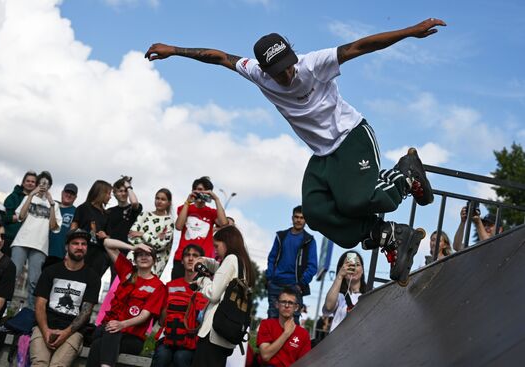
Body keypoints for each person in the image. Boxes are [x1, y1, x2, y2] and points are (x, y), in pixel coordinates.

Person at [145, 18, 445, 284]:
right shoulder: (256, 73)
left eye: (288, 66)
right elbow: (219, 57)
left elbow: (360, 46)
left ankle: (405, 174)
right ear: (264, 69)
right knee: (315, 212)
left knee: (356, 200)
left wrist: (410, 32)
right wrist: (174, 49)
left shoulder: (313, 63)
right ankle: (386, 234)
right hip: (322, 155)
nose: (287, 75)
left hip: (352, 136)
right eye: (278, 72)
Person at [86, 238, 166, 366]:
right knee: (110, 332)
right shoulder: (127, 271)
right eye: (140, 254)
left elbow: (144, 315)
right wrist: (133, 247)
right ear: (135, 259)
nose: (144, 257)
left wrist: (121, 324)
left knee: (100, 342)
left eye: (148, 254)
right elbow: (107, 243)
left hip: (132, 338)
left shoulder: (158, 286)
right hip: (108, 330)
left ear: (155, 260)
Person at [30, 229, 101, 367]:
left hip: (73, 331)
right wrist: (45, 331)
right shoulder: (50, 271)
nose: (80, 247)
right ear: (66, 247)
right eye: (75, 243)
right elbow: (39, 305)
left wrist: (66, 333)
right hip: (45, 325)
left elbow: (86, 312)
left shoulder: (92, 277)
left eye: (84, 244)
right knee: (39, 363)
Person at [191, 225, 256, 367]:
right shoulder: (243, 263)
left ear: (227, 242)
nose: (215, 250)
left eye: (217, 246)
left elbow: (214, 294)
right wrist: (205, 260)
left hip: (212, 334)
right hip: (226, 335)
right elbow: (222, 271)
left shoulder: (231, 258)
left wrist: (202, 280)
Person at [11, 171, 61, 310]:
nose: (44, 186)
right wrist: (31, 195)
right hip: (21, 241)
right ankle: (3, 309)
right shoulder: (28, 197)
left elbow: (53, 227)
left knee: (34, 281)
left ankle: (30, 314)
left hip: (40, 246)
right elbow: (20, 216)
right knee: (12, 275)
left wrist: (51, 204)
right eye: (41, 183)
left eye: (46, 184)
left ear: (50, 186)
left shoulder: (55, 205)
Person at [151, 244, 207, 367]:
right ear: (182, 261)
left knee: (181, 357)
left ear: (202, 261)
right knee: (162, 356)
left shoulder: (207, 289)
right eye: (187, 255)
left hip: (191, 342)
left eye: (195, 256)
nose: (191, 259)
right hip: (168, 338)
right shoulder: (170, 286)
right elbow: (161, 322)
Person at [266, 205, 317, 324]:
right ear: (292, 218)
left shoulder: (309, 240)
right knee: (272, 319)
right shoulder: (281, 236)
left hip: (295, 285)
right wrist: (269, 278)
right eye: (296, 217)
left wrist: (301, 284)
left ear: (306, 220)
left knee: (292, 322)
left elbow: (312, 266)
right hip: (276, 284)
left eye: (302, 218)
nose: (299, 220)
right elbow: (272, 258)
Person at [172, 176, 227, 279]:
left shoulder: (212, 212)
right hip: (182, 257)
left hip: (203, 260)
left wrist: (216, 199)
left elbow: (224, 223)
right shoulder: (184, 208)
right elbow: (178, 226)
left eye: (204, 190)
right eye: (197, 189)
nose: (200, 192)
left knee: (199, 293)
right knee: (177, 291)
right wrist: (188, 202)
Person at [257, 288, 311, 367]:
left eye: (290, 303)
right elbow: (265, 355)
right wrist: (286, 334)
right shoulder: (266, 324)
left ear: (296, 307)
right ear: (277, 304)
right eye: (283, 302)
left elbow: (304, 364)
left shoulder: (303, 334)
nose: (286, 305)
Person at [129, 188, 175, 277]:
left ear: (168, 202)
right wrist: (154, 238)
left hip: (154, 264)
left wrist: (143, 234)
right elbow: (131, 236)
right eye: (157, 198)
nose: (159, 201)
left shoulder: (169, 222)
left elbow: (160, 244)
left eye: (163, 199)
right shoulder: (144, 215)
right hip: (134, 259)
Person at [71, 179, 112, 277]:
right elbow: (72, 230)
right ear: (101, 192)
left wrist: (105, 236)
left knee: (93, 282)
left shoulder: (107, 214)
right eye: (108, 193)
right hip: (82, 251)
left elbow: (110, 237)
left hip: (99, 255)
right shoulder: (83, 208)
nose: (110, 197)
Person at [322, 251, 367, 331]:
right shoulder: (339, 296)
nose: (353, 268)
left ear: (362, 270)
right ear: (341, 269)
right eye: (348, 265)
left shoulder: (370, 294)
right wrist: (340, 276)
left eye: (357, 265)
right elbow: (328, 307)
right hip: (338, 341)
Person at [3, 170, 37, 257]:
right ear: (23, 182)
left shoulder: (37, 200)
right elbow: (5, 218)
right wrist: (18, 217)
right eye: (28, 181)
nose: (30, 183)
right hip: (10, 237)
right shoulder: (13, 197)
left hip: (25, 240)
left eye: (33, 182)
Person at [45, 183, 78, 268]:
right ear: (62, 192)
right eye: (67, 192)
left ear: (75, 197)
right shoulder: (51, 205)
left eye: (72, 193)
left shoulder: (76, 212)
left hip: (60, 254)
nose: (69, 195)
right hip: (42, 249)